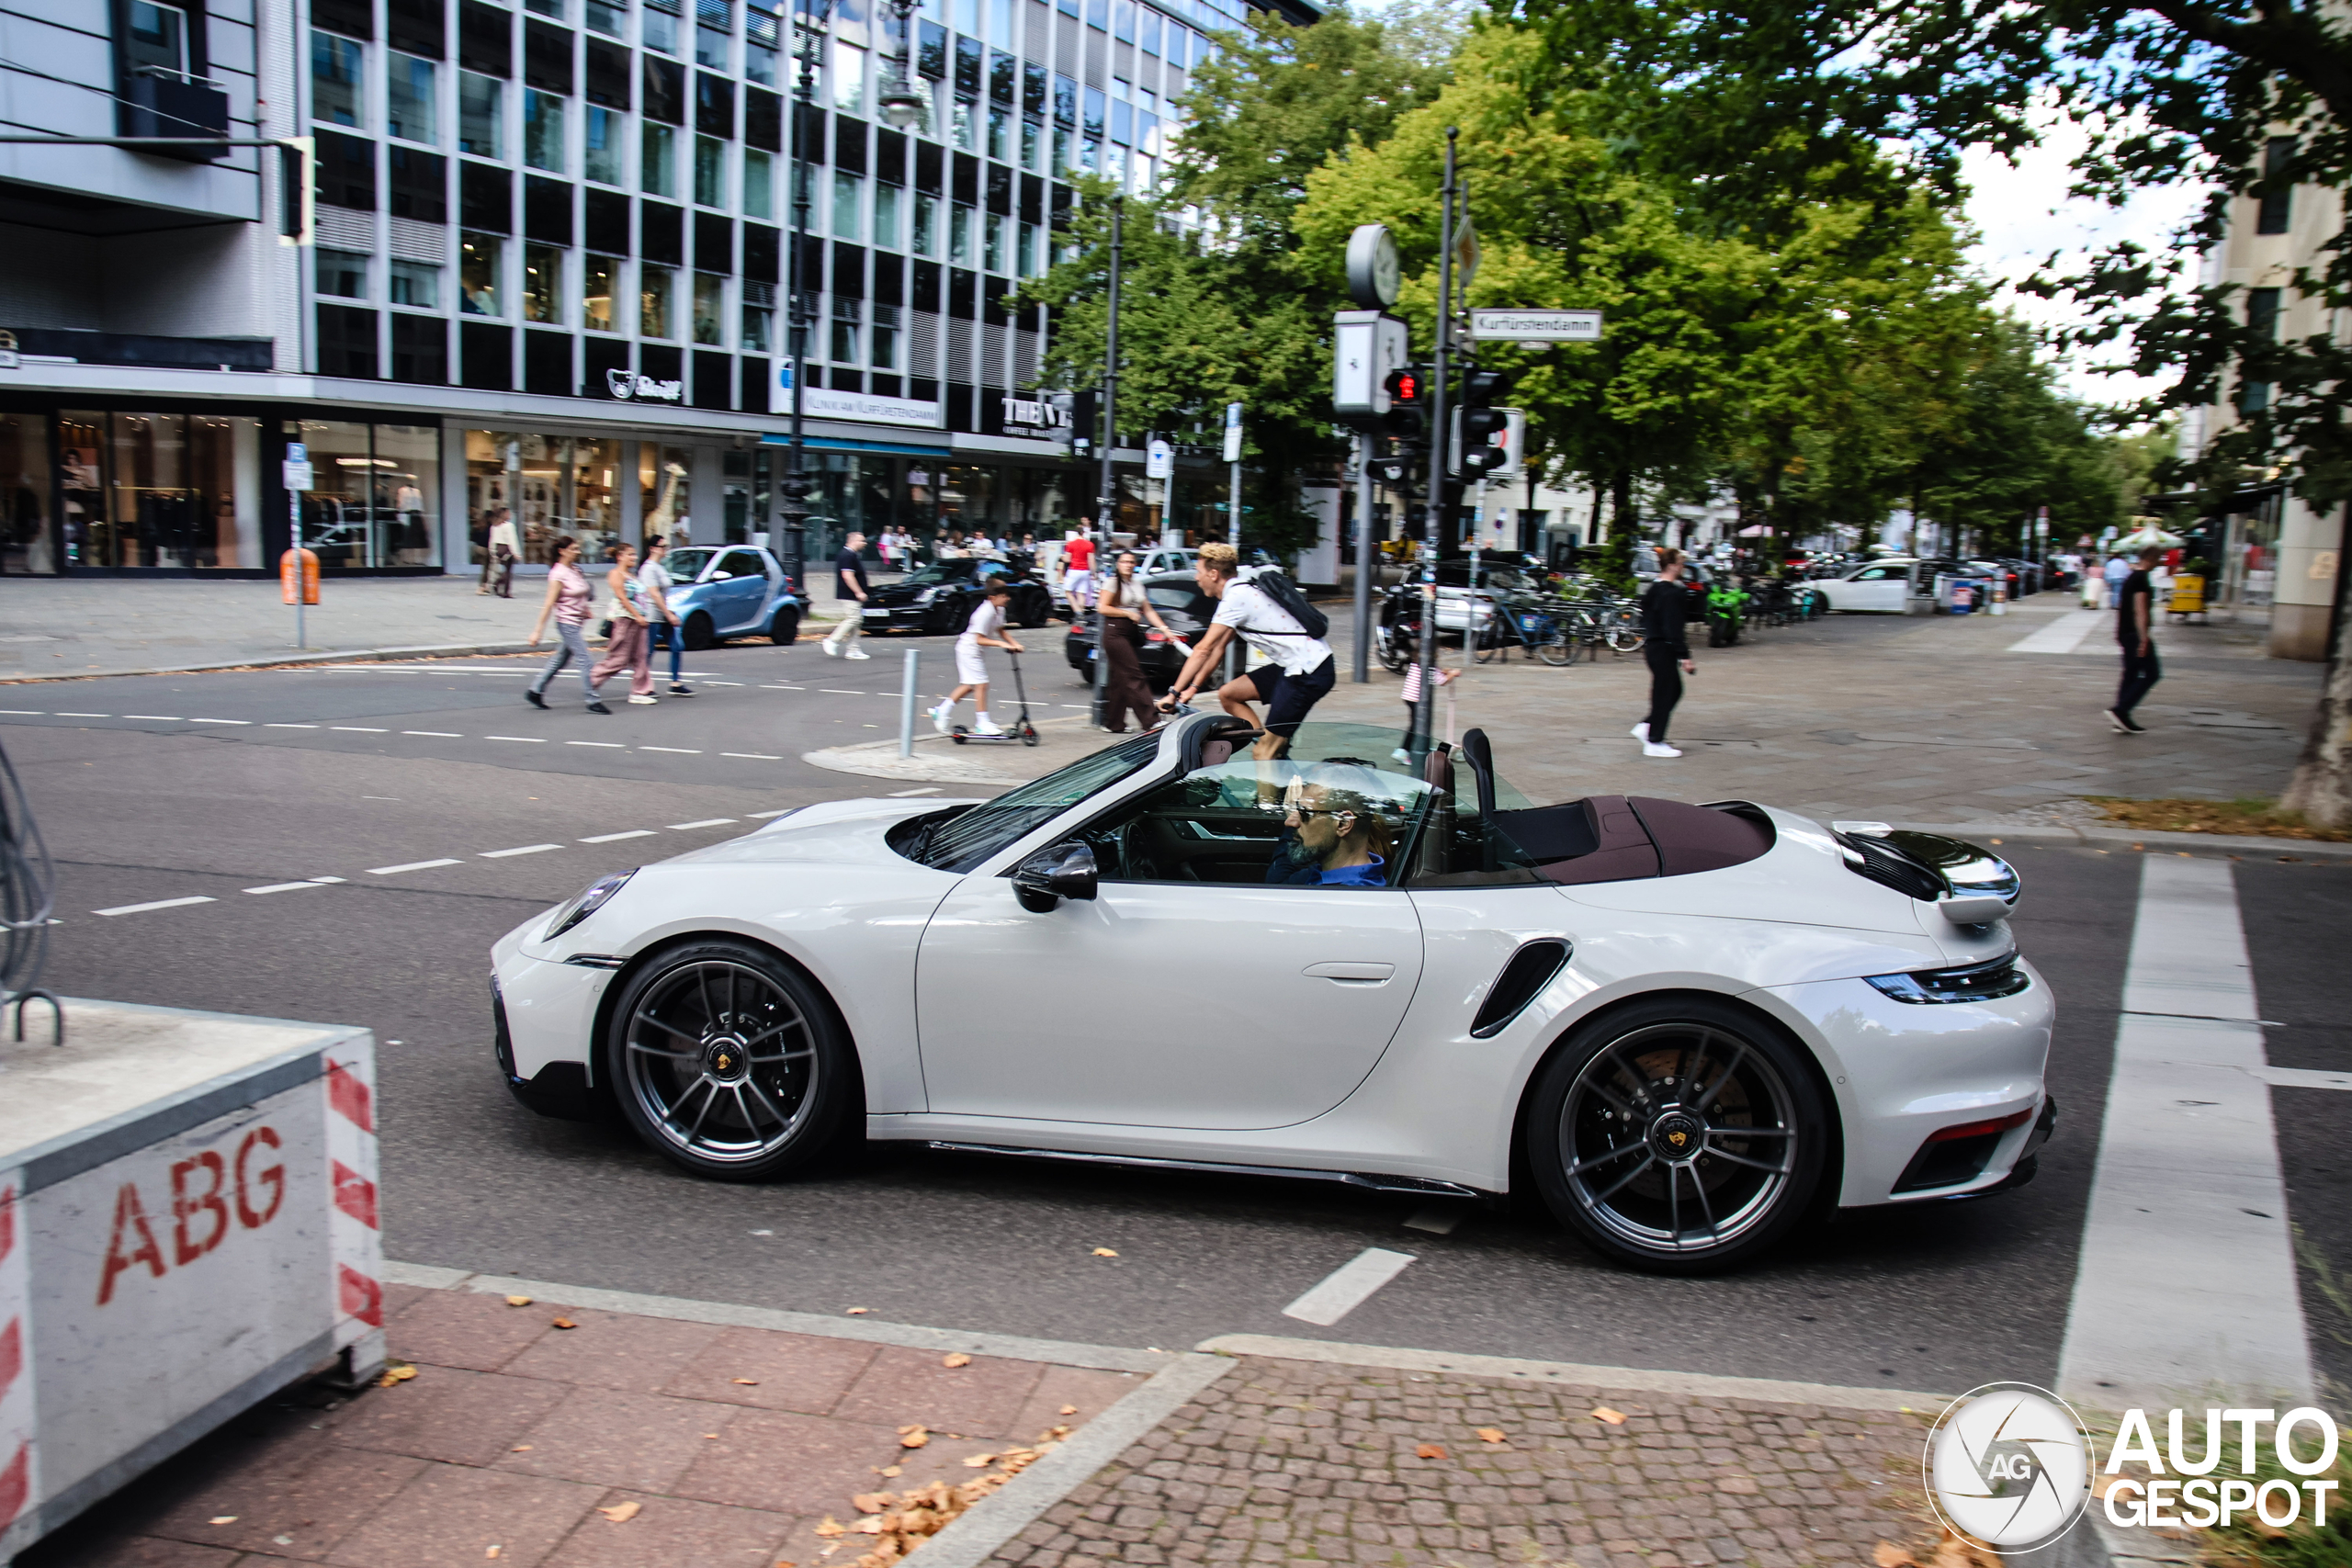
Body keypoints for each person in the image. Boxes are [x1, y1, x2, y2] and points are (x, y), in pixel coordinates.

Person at [1159, 543, 1336, 757]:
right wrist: (1192, 689)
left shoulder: (1235, 598)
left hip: (1308, 672)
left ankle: (1269, 753)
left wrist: (1174, 693)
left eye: (1199, 572)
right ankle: (1270, 747)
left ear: (1213, 574)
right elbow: (1218, 649)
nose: (1197, 578)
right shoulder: (1243, 589)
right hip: (1297, 665)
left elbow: (1203, 649)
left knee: (1262, 754)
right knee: (1229, 694)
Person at [1264, 763, 1396, 888]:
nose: (1290, 823)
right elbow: (1278, 885)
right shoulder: (1326, 874)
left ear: (1343, 823)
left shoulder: (1349, 896)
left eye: (1304, 814)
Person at [1095, 549, 1181, 734]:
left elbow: (1148, 610)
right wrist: (1126, 613)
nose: (1128, 565)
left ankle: (1113, 723)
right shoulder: (1112, 582)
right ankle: (1151, 720)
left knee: (1120, 679)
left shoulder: (1137, 584)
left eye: (1131, 562)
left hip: (1130, 632)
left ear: (1135, 565)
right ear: (1118, 564)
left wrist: (1165, 629)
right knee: (1134, 675)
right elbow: (1102, 607)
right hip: (1115, 632)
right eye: (1124, 562)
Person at [524, 536, 605, 713]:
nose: (578, 552)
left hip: (577, 621)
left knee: (560, 659)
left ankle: (535, 691)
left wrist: (586, 607)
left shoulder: (575, 569)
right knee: (585, 660)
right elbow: (548, 603)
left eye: (577, 548)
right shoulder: (558, 574)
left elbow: (581, 593)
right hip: (567, 623)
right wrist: (537, 631)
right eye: (574, 549)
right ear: (562, 551)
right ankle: (592, 700)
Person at [932, 580, 1023, 735]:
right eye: (1003, 596)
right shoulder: (984, 613)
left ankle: (941, 711)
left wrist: (1015, 644)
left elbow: (1001, 630)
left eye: (1007, 595)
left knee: (970, 685)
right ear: (992, 597)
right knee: (981, 684)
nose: (1007, 598)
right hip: (969, 650)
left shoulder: (999, 610)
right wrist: (1002, 644)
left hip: (974, 651)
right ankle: (982, 723)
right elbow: (978, 639)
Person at [1632, 546, 1698, 759]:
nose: (1682, 567)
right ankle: (1654, 741)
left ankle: (1648, 726)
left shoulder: (1653, 589)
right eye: (1681, 563)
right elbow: (1673, 627)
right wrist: (1684, 655)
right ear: (1672, 566)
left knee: (1673, 690)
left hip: (1654, 646)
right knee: (1665, 693)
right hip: (1663, 647)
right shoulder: (1671, 594)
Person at [589, 543, 658, 705]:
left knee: (640, 656)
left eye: (634, 554)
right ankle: (591, 680)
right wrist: (637, 616)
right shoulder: (615, 574)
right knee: (619, 658)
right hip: (625, 619)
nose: (634, 557)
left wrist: (641, 616)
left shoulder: (631, 575)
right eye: (630, 554)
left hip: (638, 620)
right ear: (620, 556)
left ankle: (640, 691)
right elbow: (622, 597)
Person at [2108, 546, 2162, 733]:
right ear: (2151, 558)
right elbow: (2140, 610)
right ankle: (2121, 710)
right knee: (2152, 673)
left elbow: (2122, 606)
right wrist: (2144, 638)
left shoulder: (2130, 577)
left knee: (2130, 673)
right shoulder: (2141, 579)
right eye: (2158, 560)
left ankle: (2120, 717)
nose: (2158, 564)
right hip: (2135, 633)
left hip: (2125, 632)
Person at [637, 536, 695, 696]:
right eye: (662, 546)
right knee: (648, 651)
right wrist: (668, 614)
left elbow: (662, 594)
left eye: (666, 546)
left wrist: (668, 612)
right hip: (651, 613)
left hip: (662, 612)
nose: (665, 549)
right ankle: (642, 686)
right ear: (652, 548)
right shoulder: (648, 568)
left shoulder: (660, 567)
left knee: (677, 646)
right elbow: (654, 594)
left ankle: (675, 683)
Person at [823, 530, 874, 660]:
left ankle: (853, 650)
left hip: (851, 594)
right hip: (849, 594)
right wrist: (859, 592)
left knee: (857, 621)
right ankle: (832, 640)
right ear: (853, 541)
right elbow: (847, 576)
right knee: (853, 618)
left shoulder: (851, 555)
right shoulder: (847, 555)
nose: (865, 543)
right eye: (862, 541)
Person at [1062, 525, 1096, 619]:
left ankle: (1078, 611)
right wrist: (1094, 573)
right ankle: (1081, 615)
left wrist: (1061, 557)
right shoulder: (1090, 545)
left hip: (1073, 570)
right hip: (1085, 571)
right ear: (1083, 533)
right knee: (1081, 593)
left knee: (1068, 592)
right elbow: (1091, 560)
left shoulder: (1070, 544)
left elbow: (1067, 559)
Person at [487, 508, 522, 598]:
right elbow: (512, 540)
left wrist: (492, 552)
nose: (510, 514)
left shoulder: (494, 526)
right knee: (508, 571)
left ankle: (497, 584)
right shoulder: (509, 526)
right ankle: (505, 591)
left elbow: (492, 540)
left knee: (502, 569)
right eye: (508, 513)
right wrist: (516, 552)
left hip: (498, 549)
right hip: (506, 549)